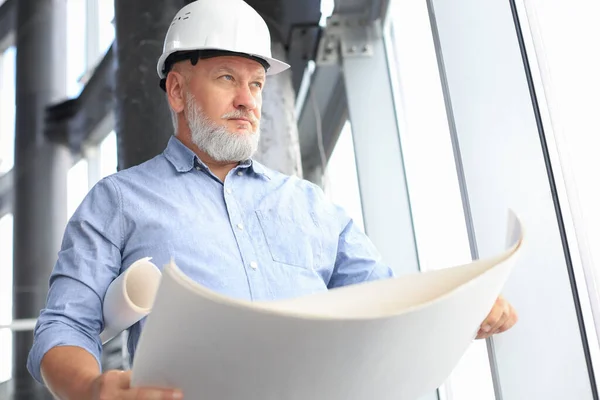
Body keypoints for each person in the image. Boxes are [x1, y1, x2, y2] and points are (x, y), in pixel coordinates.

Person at [27, 0, 518, 398]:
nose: (248, 99)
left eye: (257, 83)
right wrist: (91, 388)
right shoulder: (118, 200)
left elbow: (388, 305)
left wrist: (463, 306)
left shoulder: (310, 205)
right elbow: (65, 326)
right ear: (177, 90)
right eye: (227, 78)